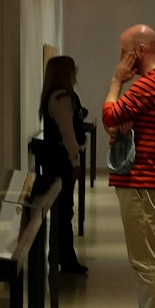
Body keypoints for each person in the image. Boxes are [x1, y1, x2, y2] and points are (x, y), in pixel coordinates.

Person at [101, 24, 155, 308]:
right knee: (145, 253)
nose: (121, 60)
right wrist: (119, 124)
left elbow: (110, 114)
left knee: (144, 256)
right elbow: (118, 122)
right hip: (144, 181)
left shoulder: (150, 84)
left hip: (141, 183)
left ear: (140, 51)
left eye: (124, 53)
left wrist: (117, 80)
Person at [38, 55, 88, 275]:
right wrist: (74, 160)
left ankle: (59, 254)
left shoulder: (55, 96)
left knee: (62, 209)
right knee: (64, 210)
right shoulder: (61, 98)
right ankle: (65, 257)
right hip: (62, 161)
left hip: (55, 160)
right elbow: (68, 134)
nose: (75, 72)